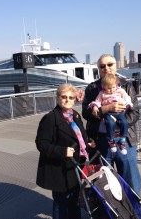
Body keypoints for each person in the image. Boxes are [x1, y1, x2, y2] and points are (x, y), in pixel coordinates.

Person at [82, 54, 141, 197]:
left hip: (124, 140)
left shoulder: (126, 85)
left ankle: (134, 211)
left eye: (110, 64)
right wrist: (105, 110)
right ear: (98, 69)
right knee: (104, 182)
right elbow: (85, 113)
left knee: (131, 180)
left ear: (115, 66)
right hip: (101, 141)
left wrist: (119, 124)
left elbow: (135, 112)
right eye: (102, 66)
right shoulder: (92, 88)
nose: (106, 68)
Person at [35, 83, 95, 219]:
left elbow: (80, 134)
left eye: (71, 97)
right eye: (64, 97)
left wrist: (88, 141)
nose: (68, 100)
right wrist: (62, 151)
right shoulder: (50, 118)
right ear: (57, 98)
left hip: (75, 166)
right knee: (61, 204)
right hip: (59, 170)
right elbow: (41, 144)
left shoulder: (75, 115)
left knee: (74, 202)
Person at [88, 73, 133, 155]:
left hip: (119, 111)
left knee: (124, 122)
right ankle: (111, 140)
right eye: (109, 88)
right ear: (103, 86)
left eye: (113, 87)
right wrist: (95, 106)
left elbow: (127, 98)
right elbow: (97, 101)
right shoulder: (102, 93)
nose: (111, 90)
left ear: (116, 84)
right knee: (109, 123)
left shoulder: (120, 91)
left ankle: (122, 139)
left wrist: (127, 105)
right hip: (108, 113)